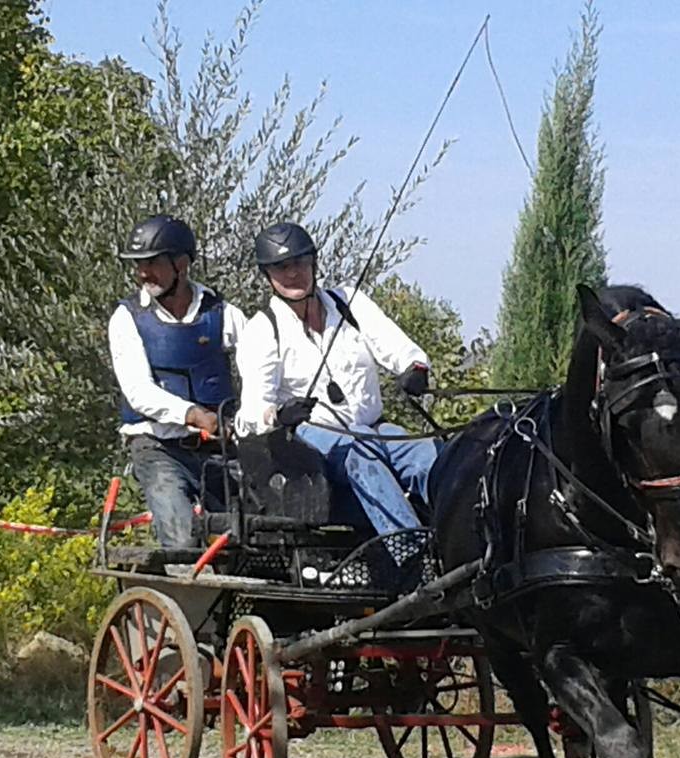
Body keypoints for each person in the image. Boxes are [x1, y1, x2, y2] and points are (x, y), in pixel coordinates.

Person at [236, 221, 438, 537]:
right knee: (360, 449)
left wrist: (414, 369)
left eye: (299, 263)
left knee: (425, 450)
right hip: (310, 441)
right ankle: (409, 547)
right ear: (268, 276)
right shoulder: (262, 330)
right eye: (281, 267)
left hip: (374, 429)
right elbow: (250, 415)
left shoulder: (350, 302)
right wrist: (279, 414)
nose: (292, 274)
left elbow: (399, 348)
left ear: (314, 263)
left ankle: (462, 540)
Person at [109, 214, 247, 548]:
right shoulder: (127, 319)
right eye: (139, 264)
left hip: (219, 450)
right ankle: (186, 597)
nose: (143, 273)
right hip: (158, 448)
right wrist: (196, 415)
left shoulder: (225, 315)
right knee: (183, 541)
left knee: (249, 534)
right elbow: (138, 392)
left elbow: (259, 368)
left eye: (153, 263)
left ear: (181, 264)